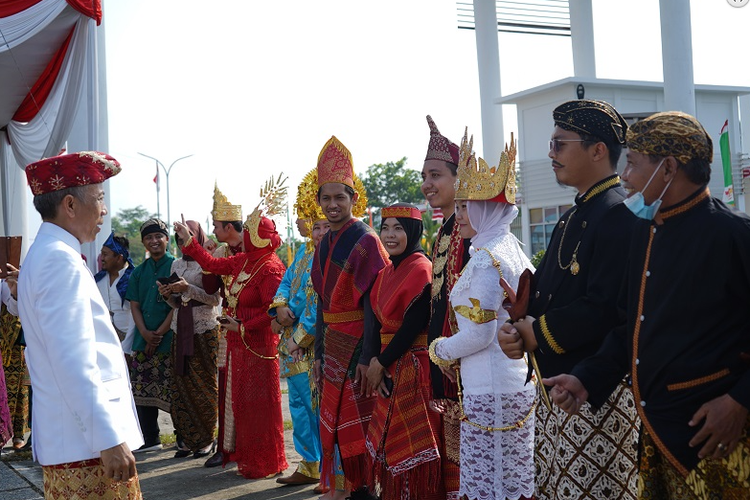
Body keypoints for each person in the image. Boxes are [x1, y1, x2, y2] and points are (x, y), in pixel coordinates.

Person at [545, 111, 750, 499]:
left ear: (669, 167)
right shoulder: (644, 232)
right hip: (659, 430)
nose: (625, 176)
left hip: (717, 438)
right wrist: (586, 377)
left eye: (634, 163)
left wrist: (738, 402)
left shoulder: (733, 235)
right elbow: (632, 326)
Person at [498, 99, 640, 500]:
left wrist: (535, 334)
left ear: (598, 150)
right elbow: (544, 296)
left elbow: (604, 307)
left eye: (560, 144)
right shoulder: (573, 215)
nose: (550, 153)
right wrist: (517, 332)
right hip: (555, 388)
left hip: (594, 391)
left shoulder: (616, 215)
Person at [17, 151, 142, 498]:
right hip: (87, 449)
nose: (104, 211)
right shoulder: (59, 261)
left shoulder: (49, 254)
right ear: (70, 205)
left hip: (77, 442)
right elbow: (73, 360)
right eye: (100, 199)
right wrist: (108, 437)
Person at [429, 133, 535, 500]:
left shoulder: (486, 258)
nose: (458, 217)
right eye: (457, 207)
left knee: (492, 483)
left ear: (486, 209)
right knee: (511, 478)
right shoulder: (510, 247)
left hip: (490, 387)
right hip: (511, 384)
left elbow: (479, 334)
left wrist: (439, 349)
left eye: (464, 207)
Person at [174, 180, 288, 479]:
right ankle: (246, 458)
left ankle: (266, 461)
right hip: (238, 342)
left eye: (249, 232)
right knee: (243, 405)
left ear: (259, 237)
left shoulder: (271, 267)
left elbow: (271, 310)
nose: (244, 235)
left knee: (261, 407)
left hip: (260, 344)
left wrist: (244, 325)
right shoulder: (244, 260)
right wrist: (189, 241)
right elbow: (210, 262)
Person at [311, 136, 389, 499]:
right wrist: (318, 354)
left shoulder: (367, 239)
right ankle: (345, 489)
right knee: (338, 428)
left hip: (359, 342)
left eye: (340, 197)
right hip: (332, 345)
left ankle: (363, 492)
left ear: (354, 198)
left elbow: (375, 304)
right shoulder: (324, 243)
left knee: (360, 426)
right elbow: (321, 305)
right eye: (325, 198)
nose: (332, 205)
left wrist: (368, 356)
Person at [364, 203, 441, 500]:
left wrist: (380, 362)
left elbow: (412, 326)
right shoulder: (385, 272)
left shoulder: (421, 268)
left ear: (413, 232)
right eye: (385, 227)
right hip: (388, 364)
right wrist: (376, 361)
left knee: (414, 451)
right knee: (390, 445)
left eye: (398, 228)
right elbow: (377, 323)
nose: (390, 235)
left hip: (412, 367)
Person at [421, 115, 471, 500]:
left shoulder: (470, 231)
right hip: (446, 362)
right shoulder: (444, 229)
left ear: (459, 179)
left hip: (468, 364)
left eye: (436, 175)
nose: (427, 184)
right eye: (425, 176)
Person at [269, 169, 328, 488]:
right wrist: (279, 308)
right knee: (299, 408)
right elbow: (287, 281)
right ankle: (308, 464)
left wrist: (299, 338)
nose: (318, 232)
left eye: (323, 225)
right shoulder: (304, 252)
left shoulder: (331, 256)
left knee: (319, 410)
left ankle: (329, 470)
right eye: (314, 225)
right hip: (291, 345)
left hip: (312, 347)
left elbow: (321, 305)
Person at [159, 220, 221, 459]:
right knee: (181, 383)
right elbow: (175, 304)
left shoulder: (208, 261)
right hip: (179, 327)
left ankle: (206, 439)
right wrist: (167, 294)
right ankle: (186, 438)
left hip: (204, 330)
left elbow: (215, 299)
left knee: (203, 384)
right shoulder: (176, 263)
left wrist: (188, 290)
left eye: (187, 238)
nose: (183, 243)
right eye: (179, 239)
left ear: (198, 238)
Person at [200, 182, 244, 468]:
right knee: (224, 385)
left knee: (246, 389)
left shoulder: (256, 251)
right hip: (226, 326)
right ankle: (225, 446)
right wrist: (209, 258)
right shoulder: (222, 252)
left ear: (229, 227)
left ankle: (246, 447)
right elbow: (210, 287)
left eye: (216, 226)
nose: (214, 232)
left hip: (251, 326)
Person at [126, 218, 175, 453]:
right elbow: (134, 305)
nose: (154, 241)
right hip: (143, 338)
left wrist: (160, 333)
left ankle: (183, 436)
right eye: (149, 237)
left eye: (158, 236)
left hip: (171, 337)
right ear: (144, 242)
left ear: (167, 239)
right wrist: (145, 333)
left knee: (175, 389)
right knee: (141, 391)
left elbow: (177, 305)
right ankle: (150, 438)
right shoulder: (138, 272)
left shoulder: (176, 266)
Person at [1, 264, 30, 451]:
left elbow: (15, 308)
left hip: (15, 341)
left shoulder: (7, 277)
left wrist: (16, 291)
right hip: (3, 343)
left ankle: (18, 434)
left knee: (20, 389)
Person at [94, 233, 136, 353]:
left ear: (119, 257)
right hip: (101, 342)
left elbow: (136, 314)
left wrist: (128, 348)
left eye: (105, 254)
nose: (101, 258)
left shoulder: (133, 279)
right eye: (102, 253)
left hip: (127, 343)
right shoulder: (97, 280)